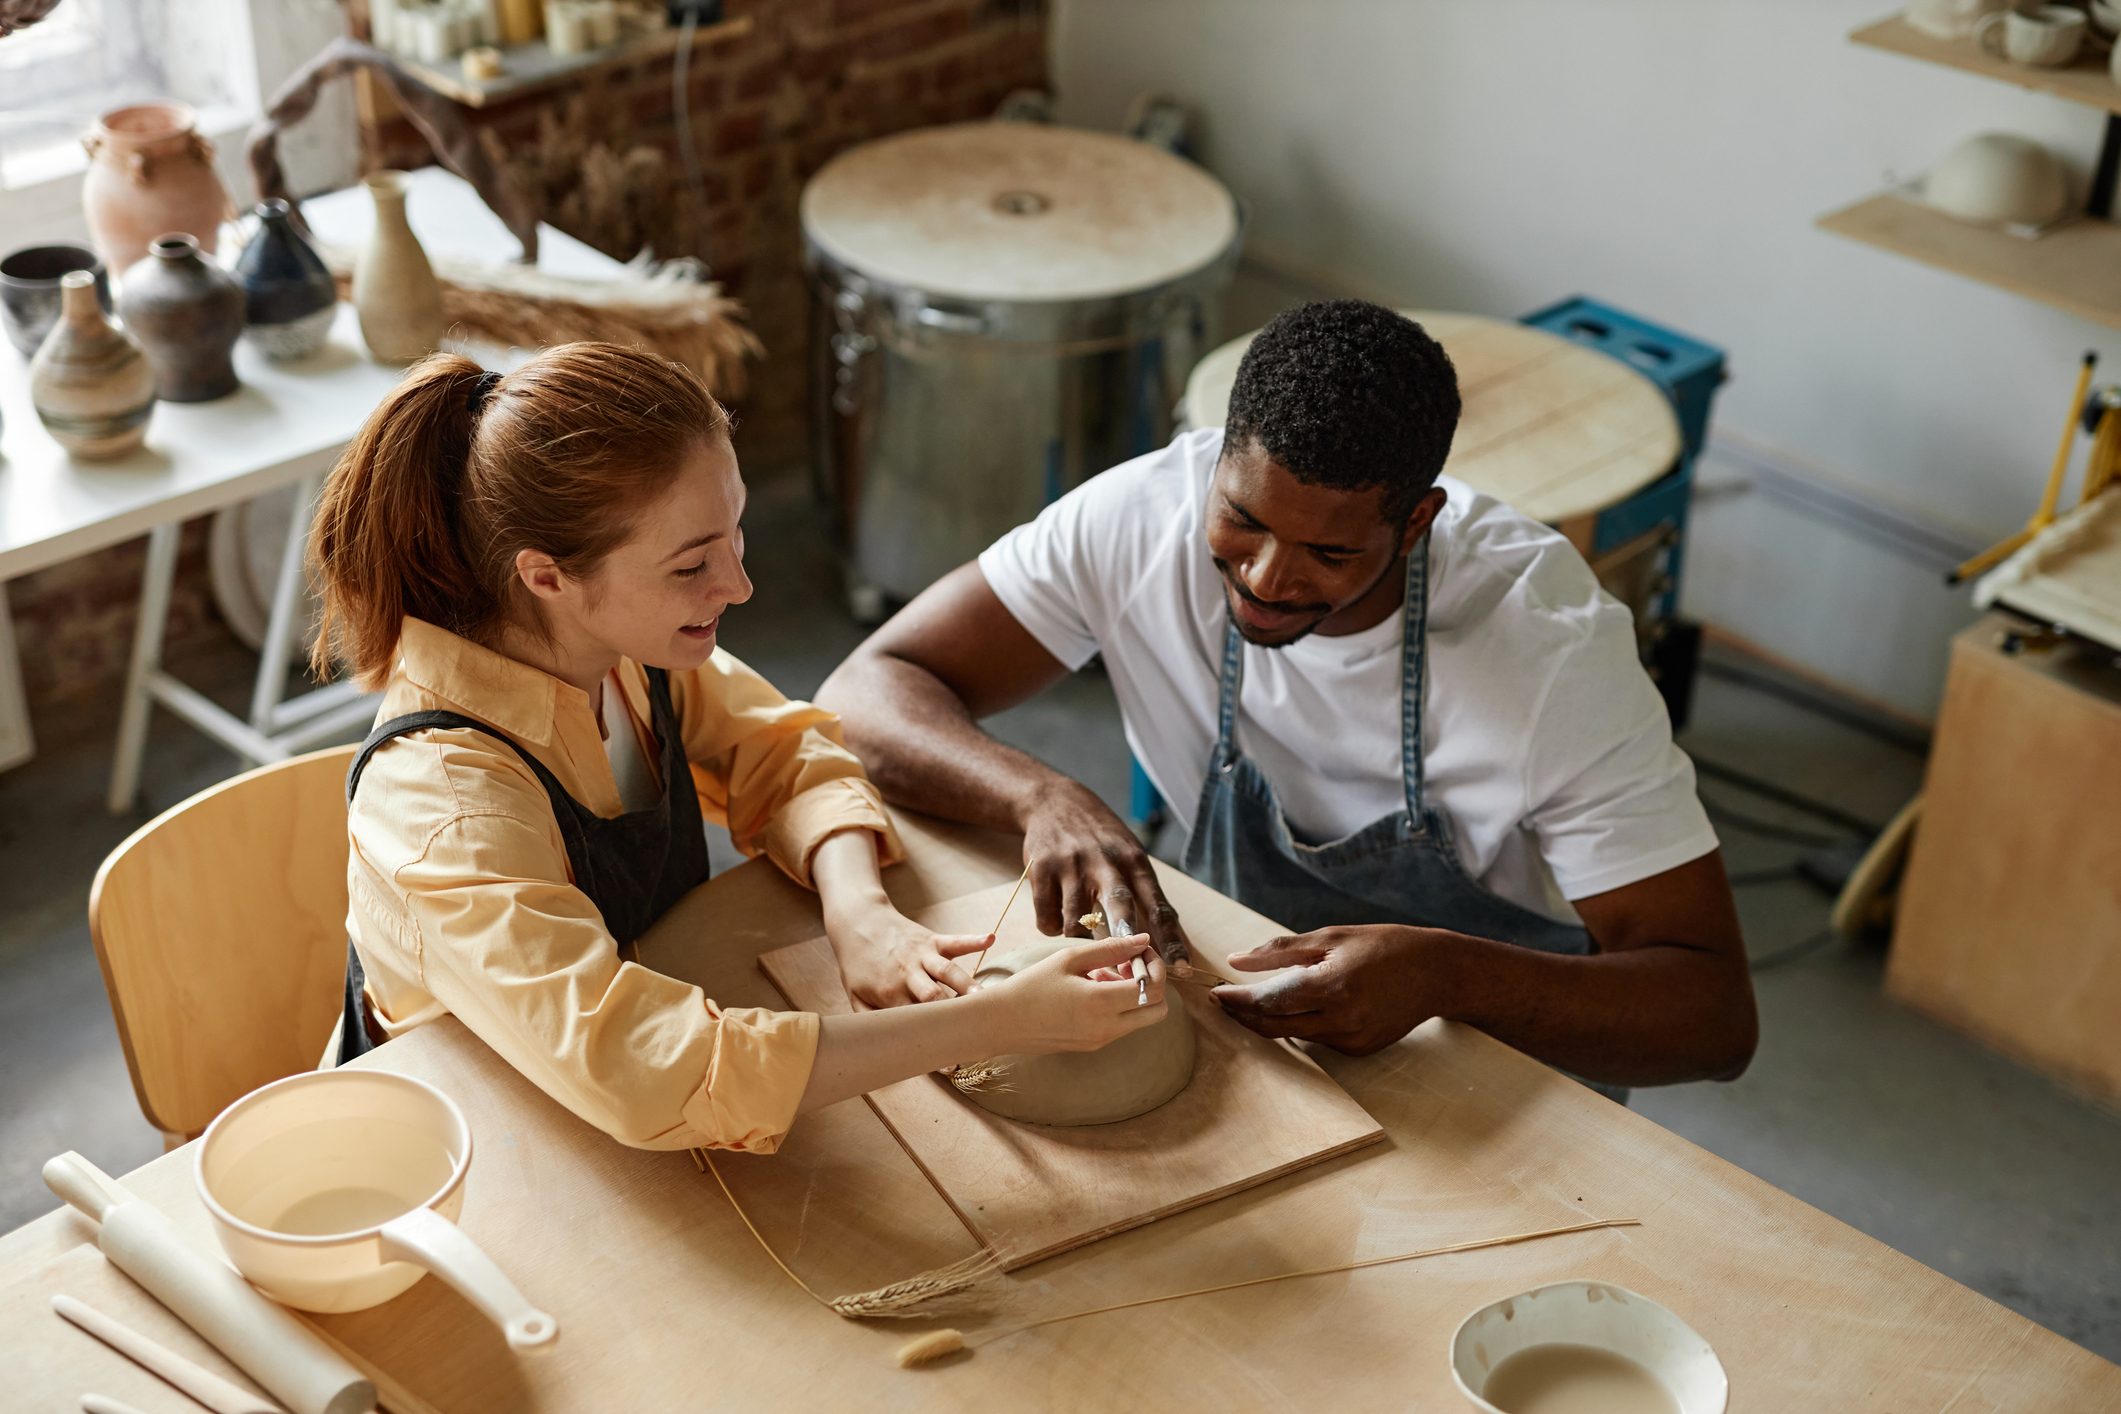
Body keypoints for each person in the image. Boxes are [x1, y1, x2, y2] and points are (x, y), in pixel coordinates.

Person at [817, 301, 1757, 1091]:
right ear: (1215, 459)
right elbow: (864, 692)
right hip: (1249, 1022)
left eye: (1329, 553)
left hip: (1499, 1061)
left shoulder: (1548, 656)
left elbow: (1709, 1016)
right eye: (1243, 518)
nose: (1266, 577)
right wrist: (1038, 795)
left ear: (1418, 521)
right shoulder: (1137, 518)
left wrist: (1446, 975)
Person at [311, 343, 1164, 1153]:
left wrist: (858, 914)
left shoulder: (612, 645)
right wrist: (998, 1021)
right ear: (546, 576)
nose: (741, 587)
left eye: (736, 536)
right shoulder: (444, 804)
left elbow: (786, 754)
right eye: (691, 567)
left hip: (602, 1096)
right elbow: (643, 1069)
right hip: (468, 1143)